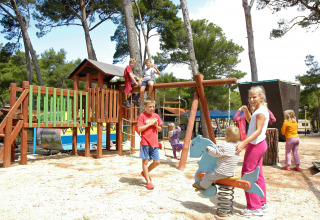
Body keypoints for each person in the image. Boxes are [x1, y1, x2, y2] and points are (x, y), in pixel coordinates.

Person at [236, 86, 270, 217]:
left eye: (254, 97)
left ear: (261, 97)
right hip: (259, 144)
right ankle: (261, 202)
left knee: (247, 174)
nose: (251, 99)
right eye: (250, 97)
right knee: (258, 174)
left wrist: (244, 142)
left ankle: (254, 207)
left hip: (256, 145)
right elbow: (251, 122)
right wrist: (246, 111)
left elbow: (258, 130)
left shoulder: (261, 112)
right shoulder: (258, 110)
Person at [192, 126, 240, 191]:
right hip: (230, 173)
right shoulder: (237, 146)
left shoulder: (225, 146)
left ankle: (202, 186)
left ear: (226, 137)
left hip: (221, 172)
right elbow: (225, 152)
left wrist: (209, 148)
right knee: (211, 175)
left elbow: (216, 153)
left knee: (208, 175)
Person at [137, 97, 163, 190]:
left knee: (157, 162)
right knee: (145, 161)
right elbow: (139, 129)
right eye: (150, 107)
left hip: (155, 142)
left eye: (153, 107)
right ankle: (148, 181)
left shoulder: (156, 116)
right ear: (145, 107)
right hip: (145, 141)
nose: (152, 108)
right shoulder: (142, 116)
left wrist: (155, 124)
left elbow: (160, 129)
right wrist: (149, 124)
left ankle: (145, 173)